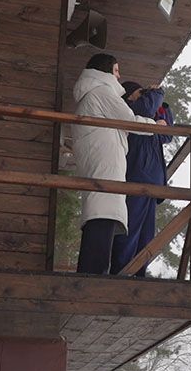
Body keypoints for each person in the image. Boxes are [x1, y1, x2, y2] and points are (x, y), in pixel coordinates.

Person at [71, 54, 166, 274]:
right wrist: (155, 126)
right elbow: (130, 121)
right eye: (115, 70)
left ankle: (91, 276)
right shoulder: (102, 92)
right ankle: (91, 278)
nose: (119, 75)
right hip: (105, 164)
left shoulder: (93, 94)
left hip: (101, 161)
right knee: (102, 217)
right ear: (104, 71)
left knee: (100, 217)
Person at [110, 82, 174, 277]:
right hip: (136, 180)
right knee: (129, 232)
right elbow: (145, 108)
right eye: (142, 93)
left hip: (152, 184)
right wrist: (157, 92)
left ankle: (138, 275)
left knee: (146, 238)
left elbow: (167, 135)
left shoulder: (149, 119)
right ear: (130, 95)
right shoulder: (130, 110)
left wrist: (163, 106)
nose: (146, 96)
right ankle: (120, 274)